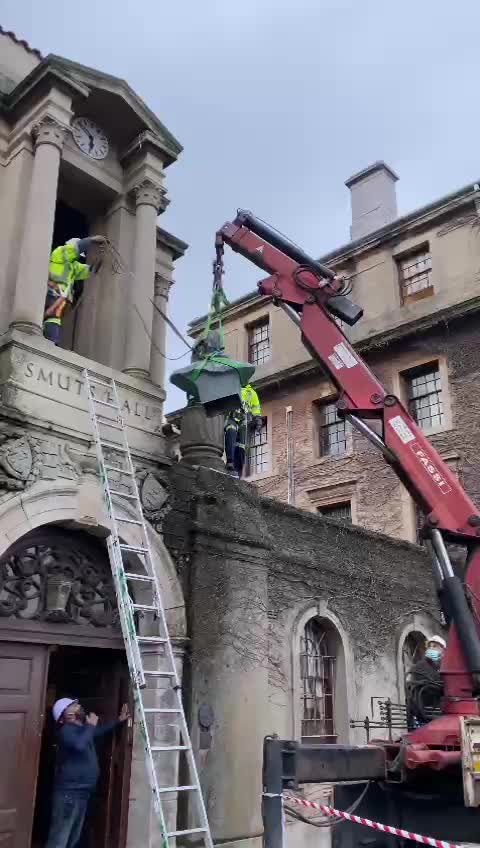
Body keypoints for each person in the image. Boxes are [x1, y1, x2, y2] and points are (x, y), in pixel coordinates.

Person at [45, 696, 129, 848]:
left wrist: (119, 720)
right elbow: (79, 745)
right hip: (68, 796)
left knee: (72, 839)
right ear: (67, 715)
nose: (79, 706)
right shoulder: (66, 731)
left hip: (81, 794)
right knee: (59, 839)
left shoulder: (81, 730)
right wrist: (90, 726)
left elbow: (100, 731)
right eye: (74, 705)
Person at [43, 236, 106, 345]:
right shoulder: (60, 252)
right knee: (51, 317)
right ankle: (50, 340)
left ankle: (51, 342)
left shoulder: (72, 266)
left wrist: (100, 255)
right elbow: (76, 248)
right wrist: (93, 239)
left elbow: (91, 270)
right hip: (51, 292)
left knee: (54, 319)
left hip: (60, 298)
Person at [406, 635, 446, 727]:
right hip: (424, 712)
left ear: (443, 651)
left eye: (435, 646)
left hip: (439, 712)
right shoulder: (420, 666)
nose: (431, 649)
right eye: (429, 646)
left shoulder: (445, 667)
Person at [225, 383, 262, 477]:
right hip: (232, 418)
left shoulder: (252, 393)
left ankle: (238, 471)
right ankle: (230, 462)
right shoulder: (231, 388)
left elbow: (256, 409)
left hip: (244, 421)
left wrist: (258, 420)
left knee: (241, 446)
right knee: (231, 435)